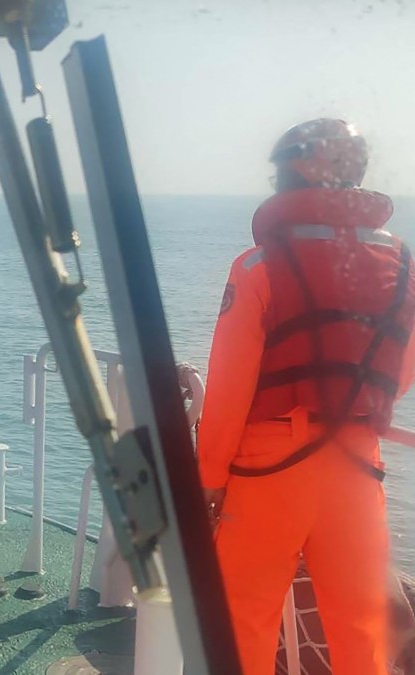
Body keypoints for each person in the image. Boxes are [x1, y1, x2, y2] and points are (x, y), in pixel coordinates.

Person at [197, 118, 415, 675]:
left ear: (292, 174)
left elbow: (228, 389)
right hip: (358, 465)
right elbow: (399, 372)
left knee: (239, 624)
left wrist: (210, 480)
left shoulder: (256, 267)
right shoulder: (404, 267)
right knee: (361, 631)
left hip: (268, 469)